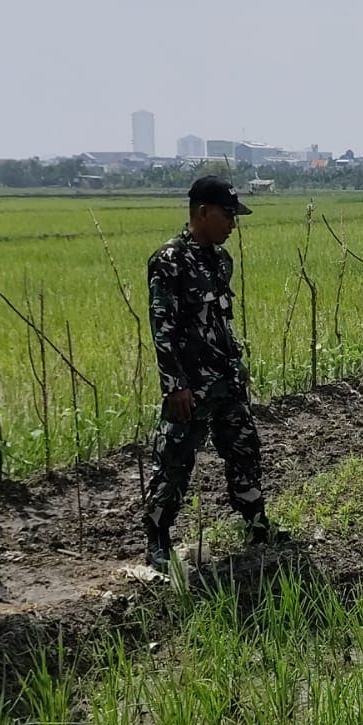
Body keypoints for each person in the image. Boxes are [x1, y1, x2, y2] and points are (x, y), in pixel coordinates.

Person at [143, 175, 285, 569]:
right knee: (174, 459)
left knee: (244, 449)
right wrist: (175, 386)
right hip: (191, 387)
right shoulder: (169, 261)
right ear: (202, 212)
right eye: (227, 215)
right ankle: (157, 537)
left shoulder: (221, 261)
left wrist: (237, 364)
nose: (232, 224)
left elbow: (222, 321)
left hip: (226, 380)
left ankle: (256, 523)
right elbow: (163, 328)